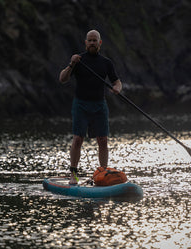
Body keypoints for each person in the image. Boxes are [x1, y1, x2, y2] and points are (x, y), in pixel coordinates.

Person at [59, 29, 122, 184]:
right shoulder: (78, 60)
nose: (92, 43)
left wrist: (117, 88)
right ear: (85, 43)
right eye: (90, 40)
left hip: (100, 105)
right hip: (81, 104)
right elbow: (62, 79)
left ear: (100, 43)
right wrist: (71, 63)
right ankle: (73, 174)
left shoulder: (106, 63)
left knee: (103, 140)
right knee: (78, 139)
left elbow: (117, 81)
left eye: (95, 40)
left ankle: (104, 174)